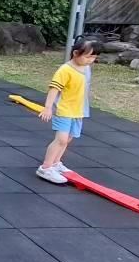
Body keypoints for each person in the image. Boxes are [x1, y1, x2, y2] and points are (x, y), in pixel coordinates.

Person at [35, 37, 100, 184]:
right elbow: (54, 89)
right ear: (76, 53)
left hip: (78, 110)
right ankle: (45, 167)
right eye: (88, 57)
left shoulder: (86, 68)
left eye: (94, 57)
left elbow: (83, 85)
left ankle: (56, 163)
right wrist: (48, 107)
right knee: (61, 139)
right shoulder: (65, 70)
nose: (91, 60)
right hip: (64, 109)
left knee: (69, 138)